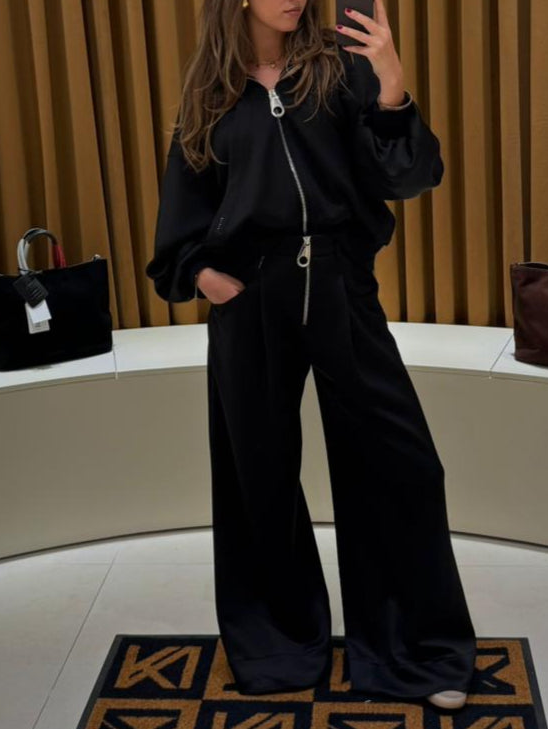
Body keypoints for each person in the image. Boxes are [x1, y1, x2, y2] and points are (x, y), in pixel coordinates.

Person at [146, 0, 477, 711]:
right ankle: (278, 645)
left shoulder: (339, 68)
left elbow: (408, 179)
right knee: (256, 474)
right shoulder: (209, 91)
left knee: (402, 465)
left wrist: (391, 83)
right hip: (250, 298)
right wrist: (203, 275)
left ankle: (417, 652)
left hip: (339, 284)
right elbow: (183, 207)